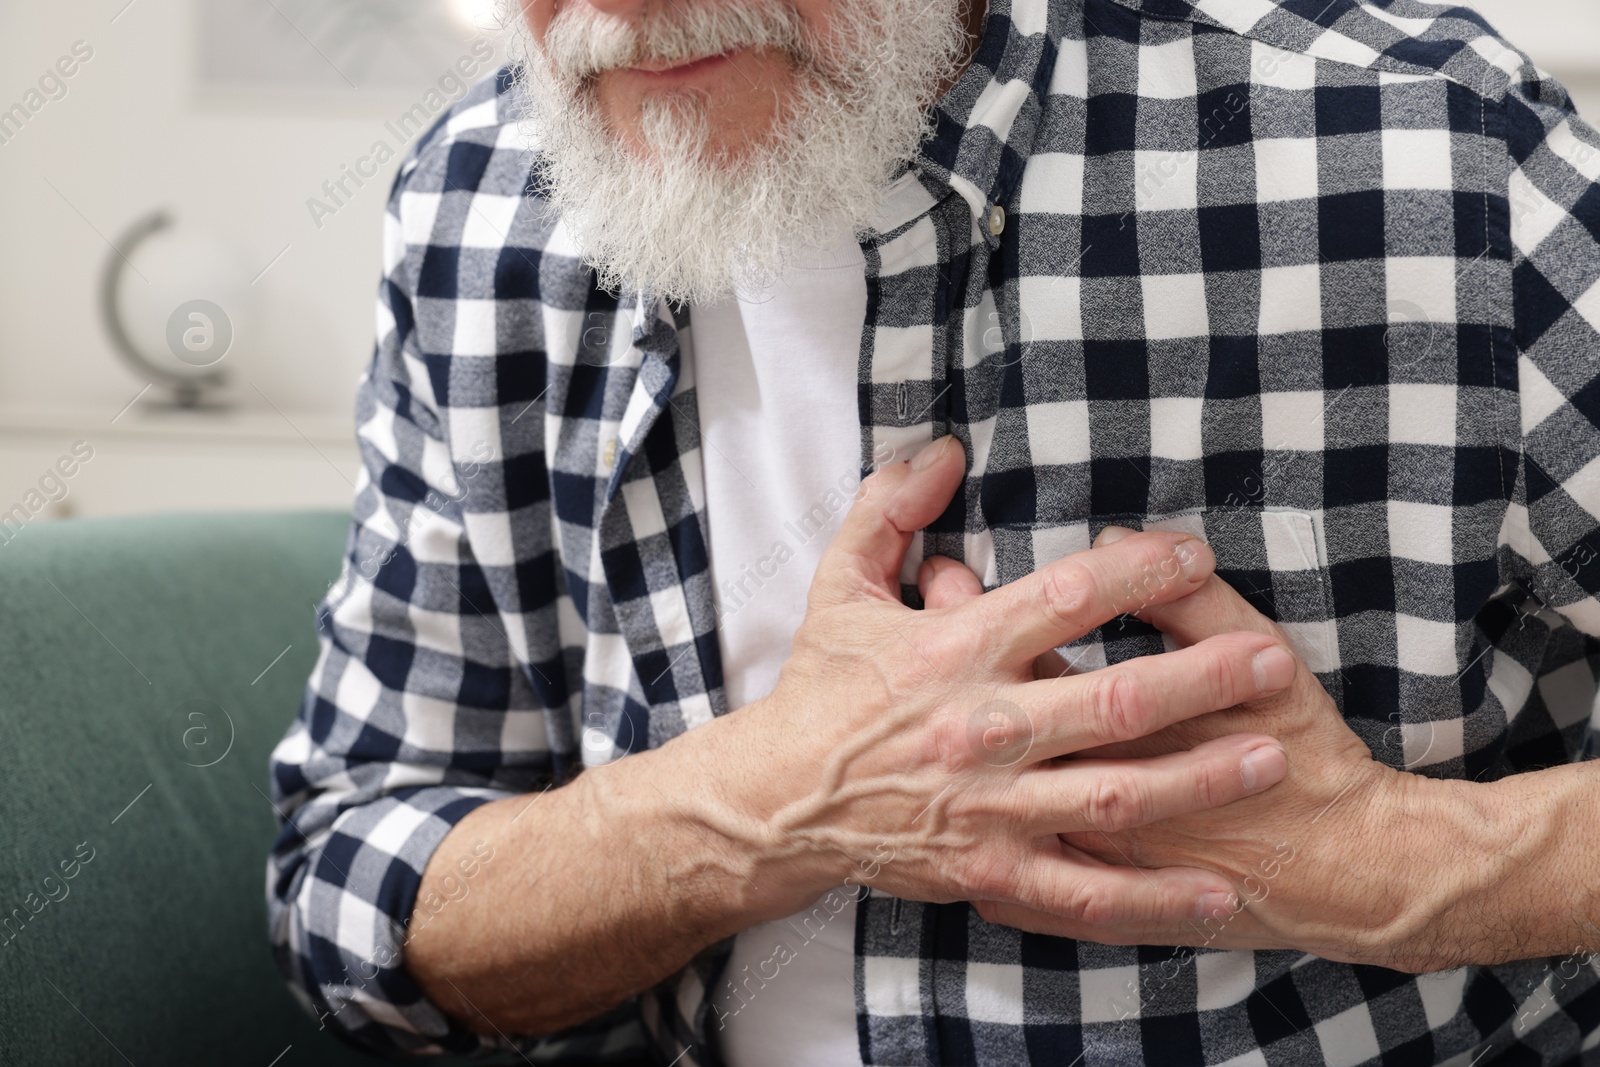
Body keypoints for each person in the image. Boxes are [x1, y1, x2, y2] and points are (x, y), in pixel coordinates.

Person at [266, 0, 1600, 1063]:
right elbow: (355, 903)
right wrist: (769, 804)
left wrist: (1402, 862)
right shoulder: (473, 213)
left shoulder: (1436, 155)